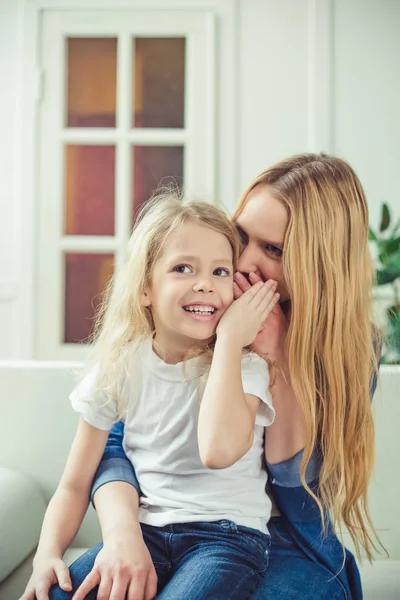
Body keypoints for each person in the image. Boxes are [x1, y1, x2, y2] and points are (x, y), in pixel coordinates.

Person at [49, 153, 380, 600]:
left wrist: (276, 357)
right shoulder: (202, 310)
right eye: (242, 235)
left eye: (274, 250)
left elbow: (299, 499)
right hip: (156, 526)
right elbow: (117, 442)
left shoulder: (349, 349)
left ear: (318, 264)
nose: (242, 260)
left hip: (280, 543)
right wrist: (122, 531)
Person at [21, 196, 281, 600]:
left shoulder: (244, 367)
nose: (204, 283)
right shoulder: (120, 366)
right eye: (183, 268)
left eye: (220, 271)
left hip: (227, 539)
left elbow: (221, 450)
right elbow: (74, 484)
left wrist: (230, 341)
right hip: (145, 533)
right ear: (145, 288)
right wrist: (47, 555)